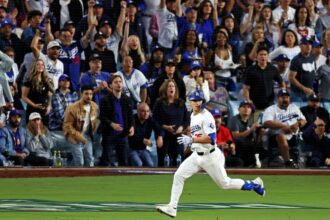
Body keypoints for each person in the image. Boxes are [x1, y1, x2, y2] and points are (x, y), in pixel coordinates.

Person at [156, 88, 265, 218]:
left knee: (225, 183)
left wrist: (192, 139)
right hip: (197, 156)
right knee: (178, 175)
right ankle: (172, 207)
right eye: (194, 100)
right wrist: (191, 140)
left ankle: (254, 184)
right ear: (189, 102)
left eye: (199, 100)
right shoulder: (192, 114)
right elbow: (197, 133)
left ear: (203, 101)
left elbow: (212, 139)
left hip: (211, 156)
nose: (196, 103)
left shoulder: (206, 116)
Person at [263, 89, 307, 168]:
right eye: (282, 97)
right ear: (278, 98)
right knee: (281, 136)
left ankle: (298, 161)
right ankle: (288, 162)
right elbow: (267, 122)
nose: (285, 99)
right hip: (275, 136)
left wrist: (298, 124)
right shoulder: (271, 109)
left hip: (293, 135)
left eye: (287, 97)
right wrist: (283, 126)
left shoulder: (294, 107)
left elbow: (304, 120)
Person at [152, 79, 190, 167]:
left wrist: (182, 127)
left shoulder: (181, 103)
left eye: (173, 86)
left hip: (178, 135)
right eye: (169, 86)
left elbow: (186, 118)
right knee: (164, 161)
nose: (171, 88)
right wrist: (164, 127)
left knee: (179, 159)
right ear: (165, 89)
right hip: (164, 135)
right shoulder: (159, 103)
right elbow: (154, 120)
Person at [99, 75, 134, 166]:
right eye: (116, 82)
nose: (119, 84)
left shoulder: (127, 99)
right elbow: (102, 117)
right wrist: (112, 124)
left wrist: (132, 127)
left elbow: (131, 116)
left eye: (120, 81)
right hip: (109, 134)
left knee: (124, 161)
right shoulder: (105, 100)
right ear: (110, 85)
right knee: (106, 160)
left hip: (123, 134)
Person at [243, 46, 285, 121]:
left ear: (268, 56)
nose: (263, 56)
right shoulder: (250, 70)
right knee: (256, 125)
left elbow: (282, 83)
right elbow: (246, 88)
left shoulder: (273, 69)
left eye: (265, 54)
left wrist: (282, 93)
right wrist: (248, 100)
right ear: (257, 56)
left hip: (269, 104)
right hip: (255, 105)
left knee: (269, 124)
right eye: (261, 54)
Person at [63, 86, 99, 167]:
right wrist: (79, 137)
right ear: (81, 94)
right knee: (79, 161)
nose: (89, 96)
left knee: (90, 161)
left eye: (91, 94)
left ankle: (87, 178)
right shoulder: (72, 108)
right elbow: (67, 126)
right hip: (73, 135)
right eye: (86, 94)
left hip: (87, 135)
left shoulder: (95, 106)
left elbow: (94, 122)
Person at [228, 100, 264, 167]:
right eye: (244, 107)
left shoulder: (251, 120)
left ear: (251, 110)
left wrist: (261, 134)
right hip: (236, 145)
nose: (246, 109)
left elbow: (255, 140)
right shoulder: (234, 119)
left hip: (249, 145)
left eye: (248, 107)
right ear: (239, 109)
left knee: (261, 149)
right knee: (241, 143)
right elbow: (236, 136)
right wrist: (251, 129)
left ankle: (257, 163)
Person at [48, 74, 79, 152]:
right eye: (63, 80)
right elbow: (60, 115)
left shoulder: (74, 94)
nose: (66, 82)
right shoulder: (55, 95)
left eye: (68, 80)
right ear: (59, 83)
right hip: (57, 128)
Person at [129, 103, 164, 167]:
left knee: (150, 164)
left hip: (143, 149)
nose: (146, 113)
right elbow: (131, 136)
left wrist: (160, 136)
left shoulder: (150, 119)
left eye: (147, 111)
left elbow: (159, 129)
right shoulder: (132, 119)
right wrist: (143, 140)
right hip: (132, 149)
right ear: (138, 111)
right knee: (139, 164)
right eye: (143, 111)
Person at [21, 59, 54, 126]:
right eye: (38, 64)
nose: (40, 66)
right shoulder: (28, 80)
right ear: (34, 66)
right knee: (32, 131)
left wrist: (49, 106)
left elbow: (49, 95)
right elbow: (24, 97)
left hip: (44, 111)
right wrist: (34, 105)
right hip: (32, 110)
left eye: (42, 65)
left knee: (45, 132)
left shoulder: (47, 80)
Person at [289, 37, 317, 102]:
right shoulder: (296, 60)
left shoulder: (312, 57)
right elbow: (291, 78)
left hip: (310, 92)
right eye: (305, 44)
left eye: (310, 44)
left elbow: (313, 74)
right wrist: (304, 88)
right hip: (298, 94)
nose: (308, 46)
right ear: (300, 46)